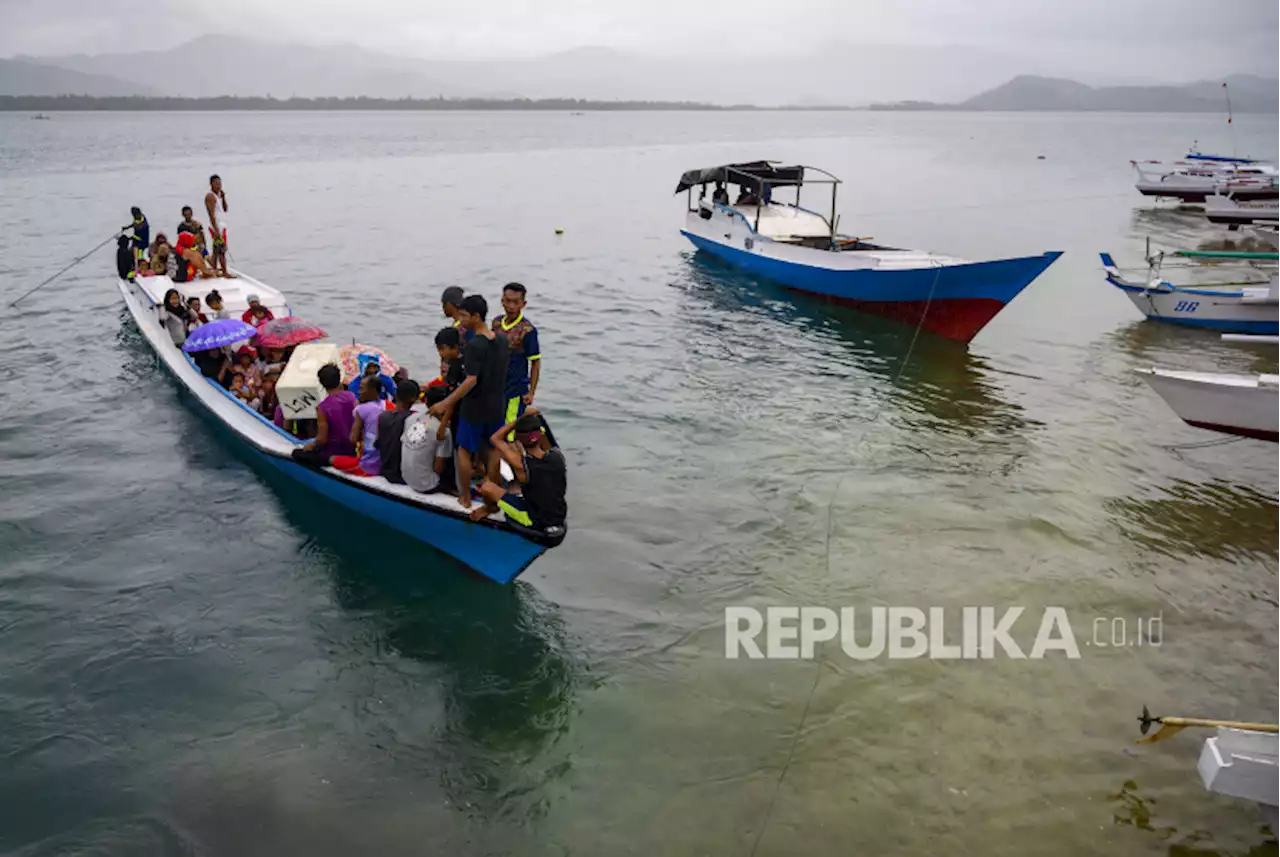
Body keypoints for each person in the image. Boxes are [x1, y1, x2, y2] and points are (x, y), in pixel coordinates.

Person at [428, 294, 508, 508]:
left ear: (476, 316)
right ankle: (493, 499)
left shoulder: (473, 346)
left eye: (464, 316)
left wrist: (445, 403)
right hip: (497, 405)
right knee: (493, 450)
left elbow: (471, 380)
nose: (460, 320)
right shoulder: (501, 340)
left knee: (464, 450)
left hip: (474, 408)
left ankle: (465, 497)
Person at [469, 409, 567, 527]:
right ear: (540, 434)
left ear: (518, 439)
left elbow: (495, 438)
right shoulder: (557, 456)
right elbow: (545, 438)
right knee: (524, 486)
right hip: (559, 515)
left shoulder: (521, 464)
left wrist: (520, 419)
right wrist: (537, 418)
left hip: (534, 519)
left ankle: (489, 509)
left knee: (487, 487)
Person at [492, 282, 541, 430]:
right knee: (494, 425)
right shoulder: (497, 323)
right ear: (502, 301)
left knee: (509, 430)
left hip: (515, 389)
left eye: (515, 302)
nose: (511, 306)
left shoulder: (527, 330)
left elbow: (535, 362)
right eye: (507, 301)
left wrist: (531, 392)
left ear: (523, 304)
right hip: (496, 386)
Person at [291, 363, 358, 467]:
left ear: (321, 383)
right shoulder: (352, 397)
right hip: (353, 450)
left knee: (296, 453)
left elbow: (322, 439)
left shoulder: (322, 408)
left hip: (333, 453)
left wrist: (312, 445)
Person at [400, 383, 456, 494]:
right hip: (427, 485)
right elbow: (438, 468)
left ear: (425, 401)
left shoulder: (411, 418)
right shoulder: (444, 431)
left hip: (406, 477)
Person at [330, 376, 384, 476]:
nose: (359, 392)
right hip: (383, 463)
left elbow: (353, 439)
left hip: (368, 466)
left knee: (331, 459)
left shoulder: (361, 409)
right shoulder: (387, 406)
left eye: (362, 388)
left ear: (372, 391)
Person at [375, 379, 421, 486]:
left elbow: (378, 443)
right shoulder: (413, 418)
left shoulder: (382, 416)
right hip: (401, 475)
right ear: (414, 399)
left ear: (396, 394)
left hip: (385, 470)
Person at [205, 174, 235, 278]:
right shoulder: (210, 196)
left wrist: (223, 197)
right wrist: (216, 229)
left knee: (217, 249)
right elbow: (211, 214)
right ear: (211, 184)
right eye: (216, 183)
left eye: (220, 183)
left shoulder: (219, 195)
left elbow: (225, 209)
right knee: (222, 249)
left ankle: (213, 266)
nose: (219, 185)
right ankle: (225, 271)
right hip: (216, 226)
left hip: (222, 225)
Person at [434, 326, 465, 393]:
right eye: (438, 349)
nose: (440, 353)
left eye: (442, 349)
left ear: (455, 347)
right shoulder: (447, 360)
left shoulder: (467, 361)